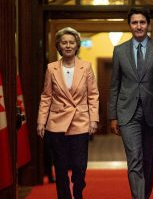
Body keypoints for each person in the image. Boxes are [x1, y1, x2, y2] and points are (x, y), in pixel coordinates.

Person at [108, 7, 153, 199]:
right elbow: (114, 85)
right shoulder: (119, 51)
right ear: (129, 25)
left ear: (148, 24)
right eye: (134, 22)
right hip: (127, 113)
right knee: (135, 159)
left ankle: (143, 196)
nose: (138, 26)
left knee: (147, 161)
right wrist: (112, 116)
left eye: (142, 22)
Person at [37, 27, 99, 199]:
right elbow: (46, 97)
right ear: (59, 46)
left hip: (80, 122)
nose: (68, 45)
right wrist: (41, 121)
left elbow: (93, 95)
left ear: (77, 45)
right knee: (61, 167)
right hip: (57, 124)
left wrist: (94, 120)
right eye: (64, 42)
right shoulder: (51, 68)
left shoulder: (86, 67)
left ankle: (78, 190)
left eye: (72, 42)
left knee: (80, 166)